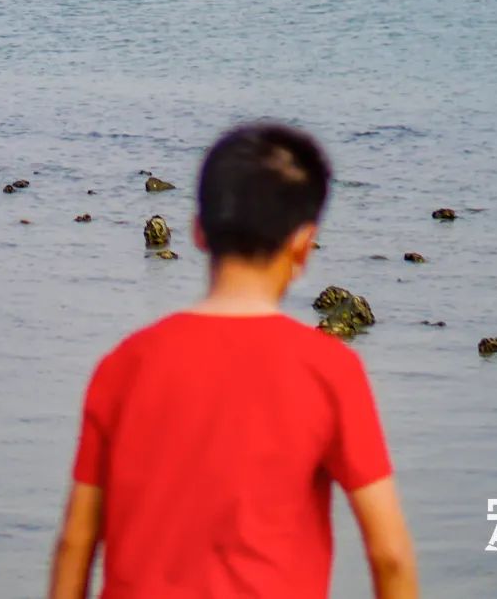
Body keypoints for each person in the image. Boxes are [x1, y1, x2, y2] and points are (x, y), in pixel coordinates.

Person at [48, 122, 418, 599]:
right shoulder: (329, 371)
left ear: (198, 231)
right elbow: (390, 556)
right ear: (304, 243)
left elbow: (76, 543)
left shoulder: (123, 365)